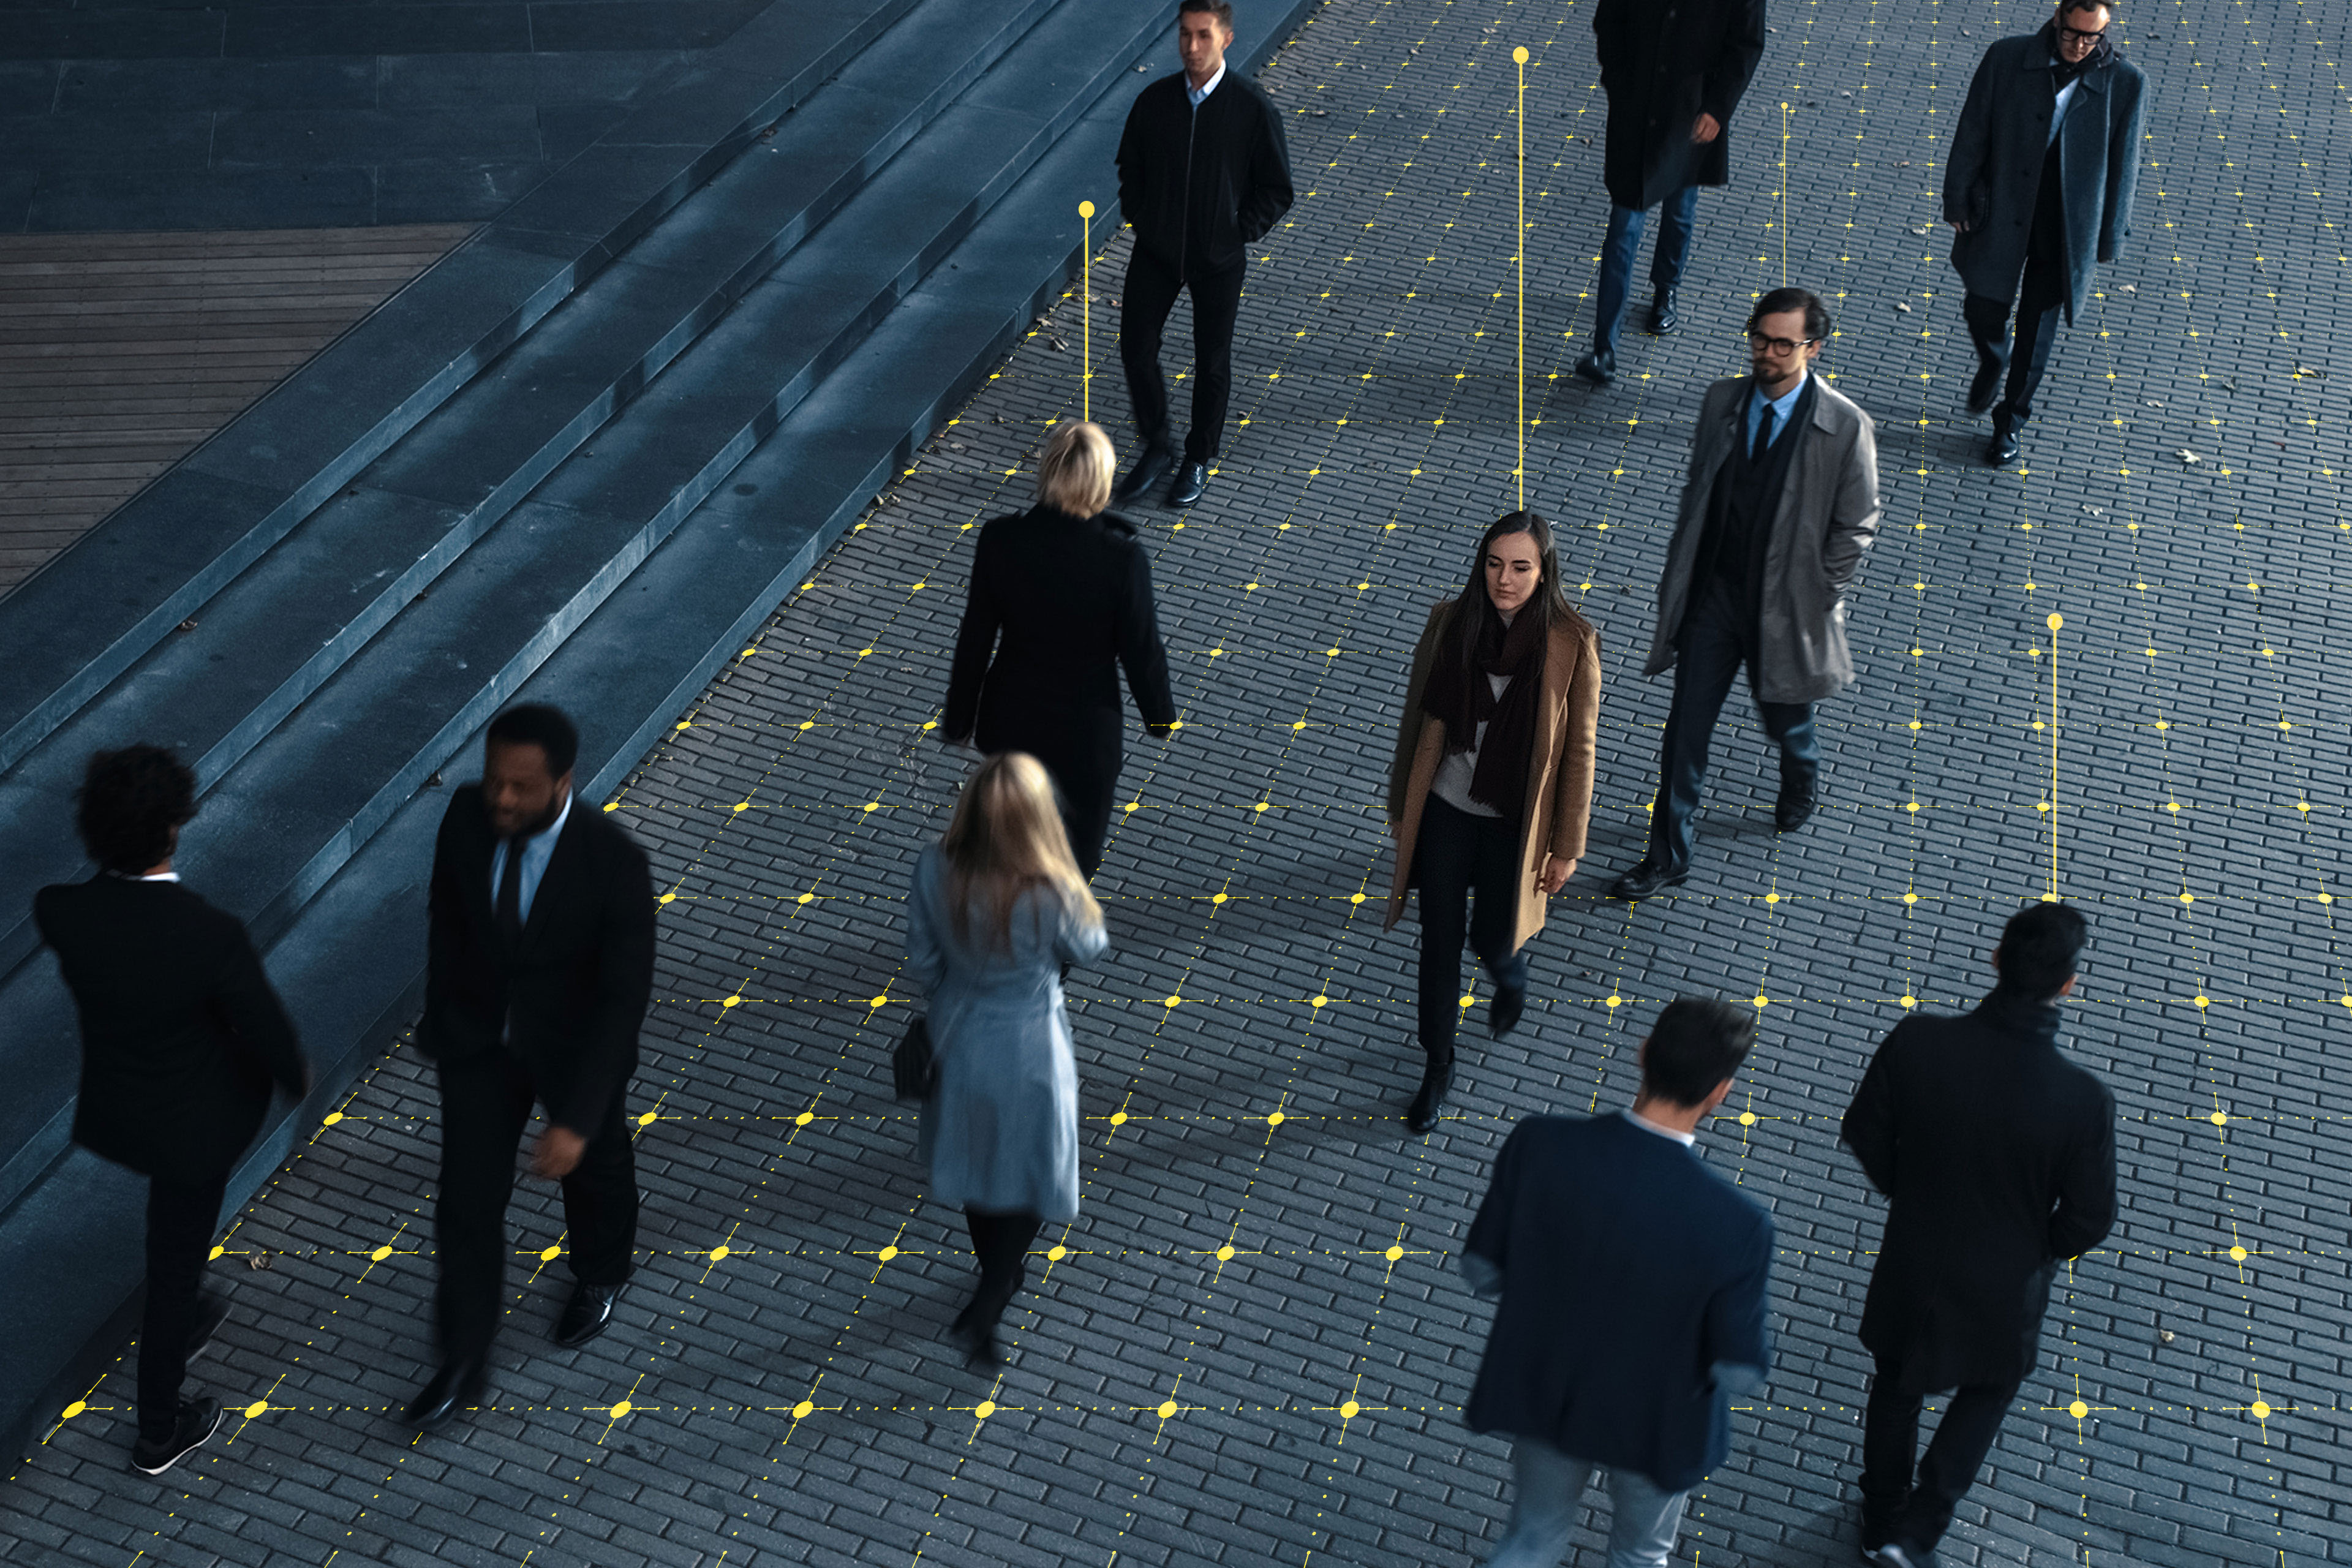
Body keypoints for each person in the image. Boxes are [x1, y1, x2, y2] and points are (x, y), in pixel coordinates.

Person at [34, 745, 308, 1476]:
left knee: (174, 1248)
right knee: (173, 1264)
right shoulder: (207, 933)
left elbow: (106, 907)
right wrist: (288, 1077)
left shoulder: (62, 911)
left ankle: (185, 1316)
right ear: (175, 829)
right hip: (196, 1124)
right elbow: (269, 1032)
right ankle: (161, 1425)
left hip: (123, 1110)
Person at [1841, 903, 2117, 1568]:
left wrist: (1909, 1192)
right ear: (2068, 985)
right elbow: (2089, 1217)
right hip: (2006, 1282)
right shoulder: (2082, 1099)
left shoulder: (1918, 1041)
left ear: (1995, 960)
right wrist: (2039, 1244)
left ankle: (1881, 1515)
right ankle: (1916, 1533)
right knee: (1990, 1388)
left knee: (1896, 1388)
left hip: (1914, 1260)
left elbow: (1866, 1130)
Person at [407, 704, 655, 1431]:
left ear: (563, 782)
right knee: (465, 1202)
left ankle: (601, 1273)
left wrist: (575, 1119)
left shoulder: (613, 861)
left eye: (520, 787)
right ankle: (463, 1358)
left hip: (574, 1048)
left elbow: (622, 1000)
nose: (502, 800)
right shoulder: (463, 818)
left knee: (597, 1164)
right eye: (493, 782)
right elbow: (447, 920)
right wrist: (444, 1013)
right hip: (480, 1045)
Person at [1461, 998, 1772, 1567]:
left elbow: (1482, 1272)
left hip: (1549, 1388)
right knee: (1640, 1555)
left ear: (1644, 1054)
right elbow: (1738, 1370)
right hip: (1659, 1422)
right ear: (1720, 1092)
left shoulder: (1540, 1145)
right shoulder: (1739, 1224)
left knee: (1532, 1538)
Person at [1608, 287, 1881, 900]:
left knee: (1788, 722)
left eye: (1784, 344)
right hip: (1715, 600)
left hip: (1786, 612)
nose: (1768, 353)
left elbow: (1858, 524)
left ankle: (1799, 779)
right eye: (1760, 338)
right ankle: (1668, 855)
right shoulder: (1722, 401)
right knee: (1684, 733)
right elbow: (1699, 495)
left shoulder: (1843, 427)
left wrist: (1820, 594)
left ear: (1813, 347)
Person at [1385, 512, 1602, 1134]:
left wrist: (1567, 846)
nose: (1504, 580)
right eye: (1494, 563)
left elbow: (1579, 753)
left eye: (1520, 567)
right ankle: (1437, 1062)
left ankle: (1509, 976)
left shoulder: (1572, 642)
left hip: (1514, 823)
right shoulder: (1452, 623)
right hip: (1449, 811)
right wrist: (1405, 806)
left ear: (1544, 572)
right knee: (1439, 942)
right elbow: (1416, 719)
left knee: (1491, 936)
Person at [907, 752, 1108, 1366]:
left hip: (960, 1033)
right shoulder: (1049, 884)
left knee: (978, 1161)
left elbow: (923, 960)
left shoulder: (935, 867)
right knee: (1032, 1165)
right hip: (1030, 1043)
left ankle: (993, 1278)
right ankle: (996, 1286)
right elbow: (1091, 946)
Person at [943, 421, 1177, 880]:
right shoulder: (1121, 558)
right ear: (1101, 481)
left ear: (1048, 472)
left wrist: (959, 721)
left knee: (1008, 844)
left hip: (1010, 720)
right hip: (1086, 733)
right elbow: (1142, 648)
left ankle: (1002, 932)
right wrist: (1160, 717)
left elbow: (975, 638)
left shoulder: (1001, 540)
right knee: (1076, 856)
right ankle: (1057, 940)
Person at [1946, 0, 2148, 466]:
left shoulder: (2126, 83)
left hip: (2064, 230)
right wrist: (1957, 198)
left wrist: (2109, 236)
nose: (2080, 45)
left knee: (2038, 330)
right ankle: (1994, 357)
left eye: (2092, 37)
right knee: (1982, 306)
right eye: (2073, 33)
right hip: (2001, 212)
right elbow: (1972, 130)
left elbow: (2126, 166)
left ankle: (2010, 422)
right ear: (2057, 18)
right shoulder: (2006, 58)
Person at [1112, 0, 1295, 508]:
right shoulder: (1155, 101)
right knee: (1135, 348)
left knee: (1211, 361)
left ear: (1226, 40)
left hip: (1218, 258)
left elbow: (1278, 188)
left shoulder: (1251, 109)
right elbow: (1130, 165)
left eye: (1203, 37)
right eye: (1185, 36)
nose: (1192, 48)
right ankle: (1156, 445)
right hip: (1157, 251)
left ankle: (1197, 456)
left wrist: (1237, 232)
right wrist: (1145, 219)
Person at [1572, 0, 1766, 386]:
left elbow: (1746, 44)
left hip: (1691, 112)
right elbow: (1610, 17)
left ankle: (1666, 289)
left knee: (1680, 206)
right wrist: (1617, 78)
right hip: (1637, 108)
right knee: (1623, 225)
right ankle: (1604, 347)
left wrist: (1716, 109)